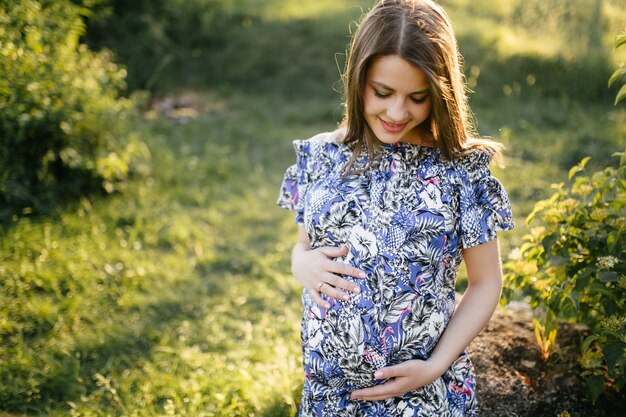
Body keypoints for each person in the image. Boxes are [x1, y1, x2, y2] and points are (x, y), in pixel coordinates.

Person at [277, 0, 514, 415]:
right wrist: (300, 264)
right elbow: (304, 246)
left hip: (425, 394)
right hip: (330, 398)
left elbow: (485, 283)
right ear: (359, 78)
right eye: (382, 93)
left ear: (440, 93)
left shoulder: (460, 172)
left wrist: (435, 365)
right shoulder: (320, 156)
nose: (397, 112)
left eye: (417, 97)